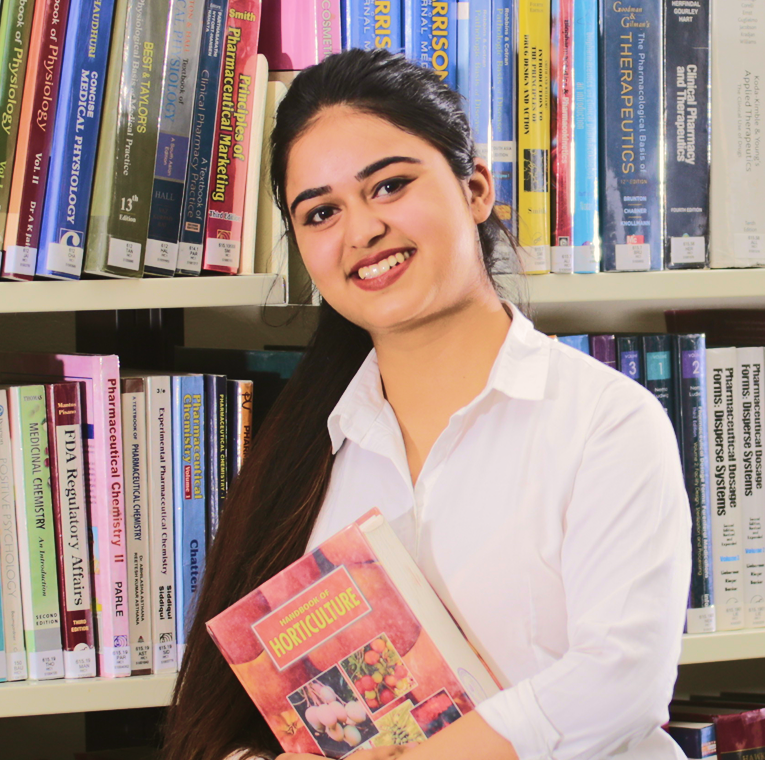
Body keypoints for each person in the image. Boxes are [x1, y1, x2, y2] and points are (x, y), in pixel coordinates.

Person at [163, 49, 690, 760]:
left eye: (388, 186)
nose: (362, 231)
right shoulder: (303, 457)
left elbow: (623, 682)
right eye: (321, 212)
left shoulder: (605, 422)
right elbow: (243, 720)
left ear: (475, 190)